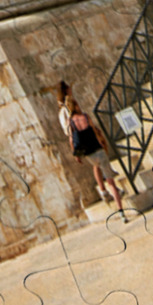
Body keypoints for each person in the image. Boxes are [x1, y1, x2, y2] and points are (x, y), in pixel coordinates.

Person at [58, 82, 125, 216]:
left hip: (87, 150)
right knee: (109, 178)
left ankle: (104, 191)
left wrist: (76, 154)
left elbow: (70, 137)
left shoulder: (68, 118)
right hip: (93, 144)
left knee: (96, 165)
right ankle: (119, 207)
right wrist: (101, 140)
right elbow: (91, 130)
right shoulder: (79, 115)